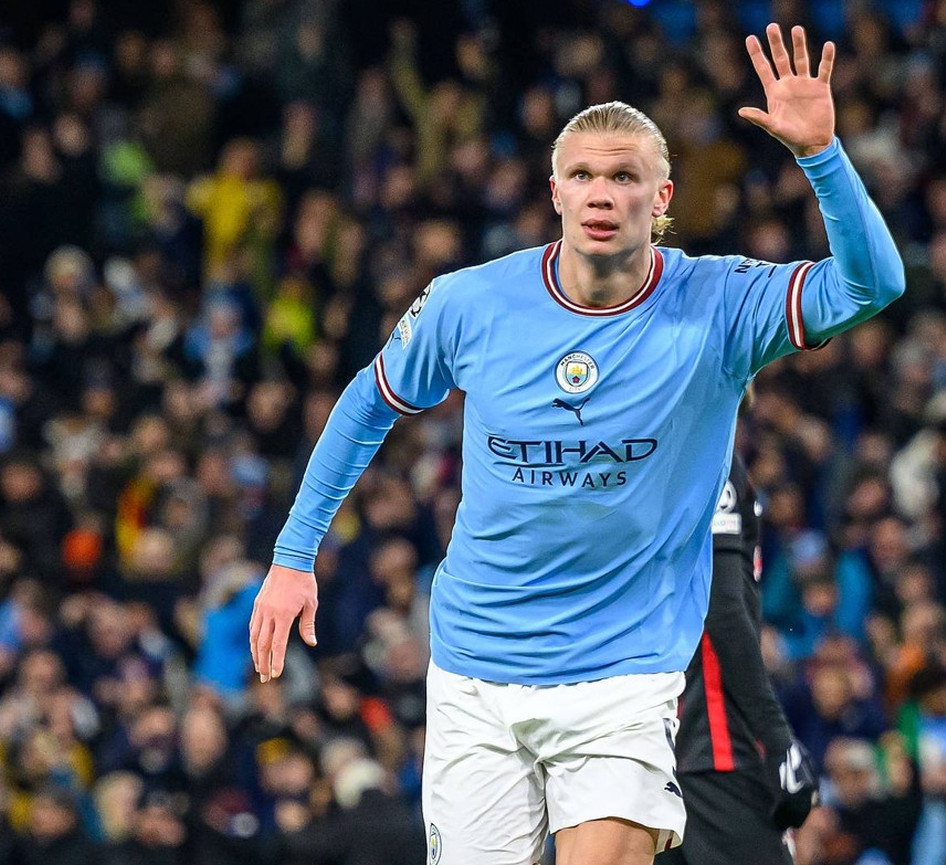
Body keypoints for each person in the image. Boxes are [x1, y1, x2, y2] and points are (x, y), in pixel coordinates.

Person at [251, 23, 905, 865]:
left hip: (623, 675)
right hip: (475, 669)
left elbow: (872, 282)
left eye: (625, 177)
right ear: (553, 192)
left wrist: (822, 156)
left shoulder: (718, 306)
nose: (603, 193)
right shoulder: (469, 303)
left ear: (661, 200)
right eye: (584, 176)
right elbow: (365, 404)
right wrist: (293, 554)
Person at [656, 452, 817, 865]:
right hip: (714, 746)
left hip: (659, 745)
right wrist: (780, 740)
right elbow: (724, 613)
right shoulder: (712, 461)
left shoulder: (656, 455)